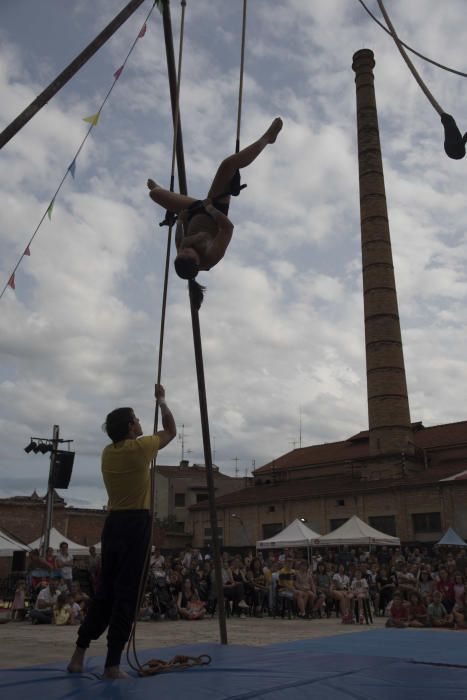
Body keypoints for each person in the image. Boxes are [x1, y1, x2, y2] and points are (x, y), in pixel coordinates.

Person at [67, 383, 176, 680]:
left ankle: (79, 653)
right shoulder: (140, 449)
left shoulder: (108, 453)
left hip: (113, 523)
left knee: (106, 591)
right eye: (137, 419)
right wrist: (163, 401)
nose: (141, 422)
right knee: (127, 593)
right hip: (135, 525)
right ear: (130, 427)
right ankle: (112, 664)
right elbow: (171, 431)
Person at [147, 117, 283, 301]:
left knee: (154, 194)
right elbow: (228, 228)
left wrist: (180, 219)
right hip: (214, 209)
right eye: (187, 253)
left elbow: (179, 237)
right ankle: (267, 138)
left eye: (181, 253)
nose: (183, 250)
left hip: (192, 210)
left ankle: (161, 191)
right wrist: (210, 209)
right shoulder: (212, 256)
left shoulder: (182, 257)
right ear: (196, 260)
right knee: (228, 165)